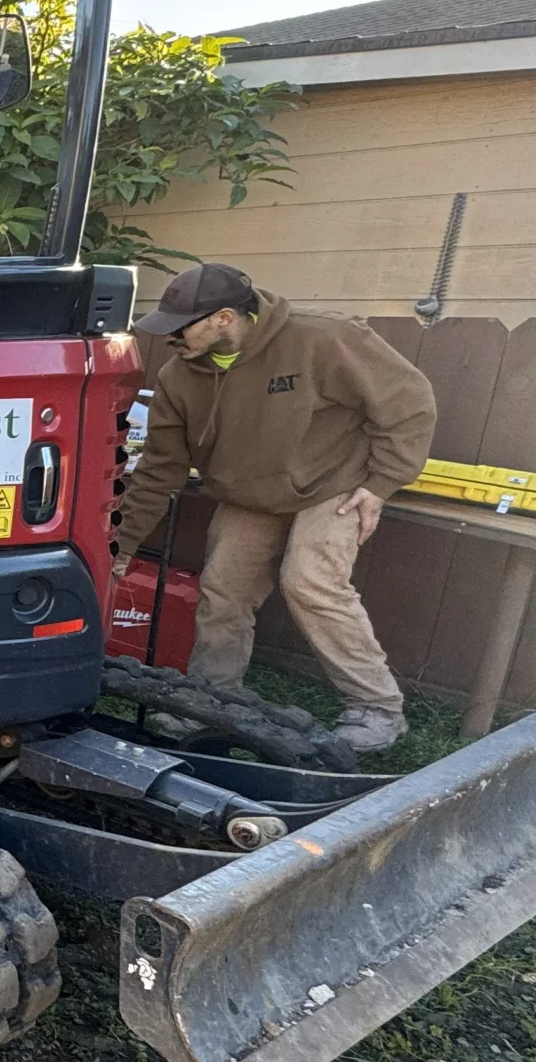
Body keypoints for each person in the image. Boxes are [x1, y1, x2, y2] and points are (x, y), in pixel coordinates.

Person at [117, 261, 435, 752]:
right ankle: (214, 698)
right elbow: (161, 468)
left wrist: (382, 484)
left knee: (310, 580)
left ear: (224, 317)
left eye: (180, 326)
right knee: (223, 588)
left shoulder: (322, 339)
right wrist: (123, 545)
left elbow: (408, 402)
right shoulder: (177, 378)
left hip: (335, 484)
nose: (170, 338)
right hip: (249, 493)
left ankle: (376, 707)